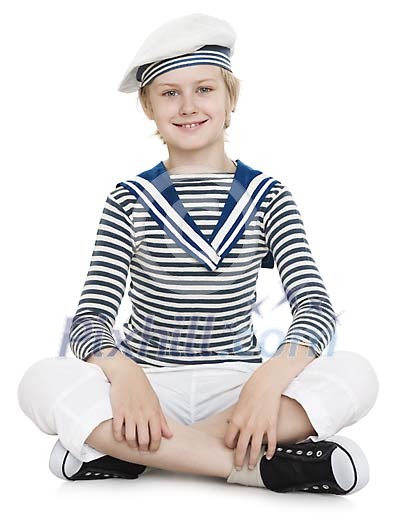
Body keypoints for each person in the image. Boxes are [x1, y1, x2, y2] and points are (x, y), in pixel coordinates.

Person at [17, 13, 379, 494]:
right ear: (148, 106)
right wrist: (123, 375)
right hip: (146, 388)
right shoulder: (129, 199)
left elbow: (314, 305)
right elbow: (91, 316)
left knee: (358, 374)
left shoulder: (267, 196)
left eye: (204, 89)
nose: (188, 106)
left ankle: (123, 452)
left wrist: (268, 380)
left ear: (231, 98)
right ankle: (255, 465)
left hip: (239, 387)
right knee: (39, 381)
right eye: (169, 93)